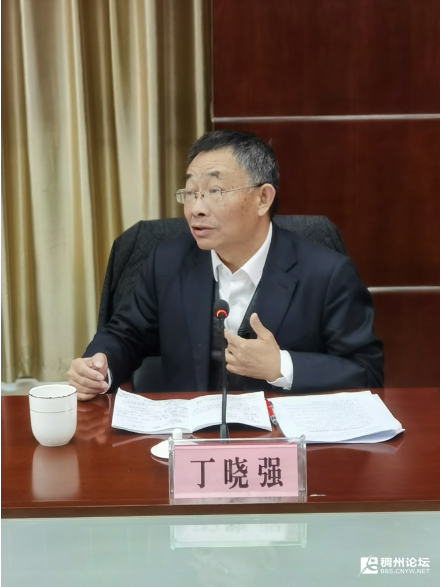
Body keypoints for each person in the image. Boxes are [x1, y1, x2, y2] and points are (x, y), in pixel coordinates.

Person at [68, 130, 383, 401]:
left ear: (263, 198)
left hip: (282, 442)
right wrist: (99, 367)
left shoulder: (326, 273)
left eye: (214, 191)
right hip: (189, 439)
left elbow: (367, 373)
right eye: (190, 193)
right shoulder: (167, 263)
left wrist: (282, 366)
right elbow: (125, 335)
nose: (196, 208)